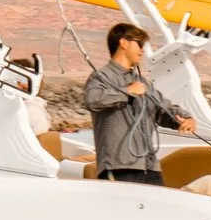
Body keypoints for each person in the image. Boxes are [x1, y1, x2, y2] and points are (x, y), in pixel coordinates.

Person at [82, 23, 196, 184]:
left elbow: (164, 110)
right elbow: (92, 100)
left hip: (150, 168)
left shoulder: (144, 83)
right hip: (119, 168)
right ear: (123, 43)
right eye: (139, 44)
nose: (142, 50)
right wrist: (127, 92)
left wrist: (186, 119)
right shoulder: (101, 77)